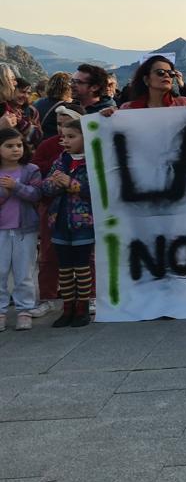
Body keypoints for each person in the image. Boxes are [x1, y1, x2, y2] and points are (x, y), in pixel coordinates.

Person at [41, 117, 94, 328]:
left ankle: (82, 308)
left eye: (72, 136)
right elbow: (45, 187)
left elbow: (94, 191)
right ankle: (67, 308)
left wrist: (70, 183)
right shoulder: (60, 160)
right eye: (64, 137)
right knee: (64, 267)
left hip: (83, 222)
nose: (66, 141)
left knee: (81, 265)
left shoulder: (91, 161)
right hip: (60, 221)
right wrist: (54, 184)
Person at [0, 128, 42, 332]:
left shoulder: (30, 169)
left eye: (18, 145)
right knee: (0, 271)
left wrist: (15, 186)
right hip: (1, 230)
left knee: (24, 271)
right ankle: (1, 311)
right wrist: (5, 190)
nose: (15, 149)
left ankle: (25, 310)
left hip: (25, 229)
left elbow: (36, 194)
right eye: (9, 146)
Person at [117, 56, 186, 111]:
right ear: (146, 79)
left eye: (171, 73)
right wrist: (108, 116)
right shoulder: (128, 109)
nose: (166, 75)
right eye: (160, 72)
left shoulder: (185, 104)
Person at [0, 67, 41, 144]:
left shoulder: (30, 111)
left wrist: (21, 123)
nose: (15, 83)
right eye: (12, 79)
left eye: (28, 93)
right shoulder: (5, 111)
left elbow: (38, 135)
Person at [32, 72, 72, 141]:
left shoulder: (37, 102)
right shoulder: (66, 107)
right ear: (67, 89)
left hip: (39, 143)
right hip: (56, 143)